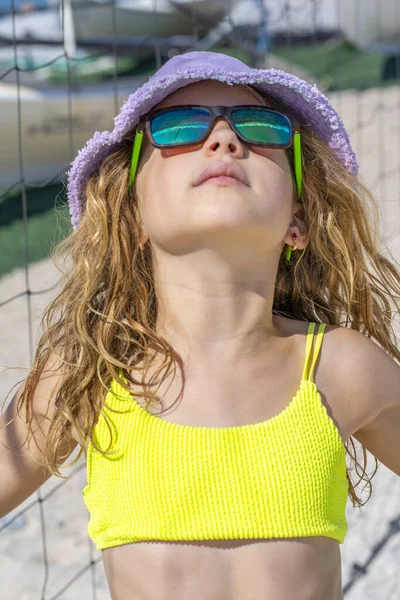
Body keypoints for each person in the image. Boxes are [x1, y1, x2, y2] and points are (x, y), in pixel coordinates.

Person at [1, 50, 400, 600]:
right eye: (179, 125)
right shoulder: (89, 372)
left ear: (299, 220)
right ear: (131, 215)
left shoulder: (343, 366)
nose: (224, 140)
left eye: (260, 128)